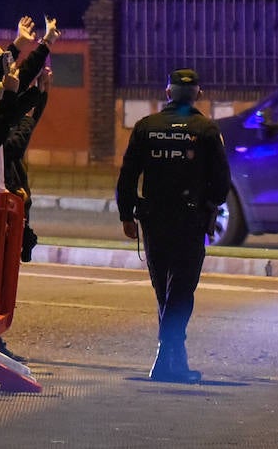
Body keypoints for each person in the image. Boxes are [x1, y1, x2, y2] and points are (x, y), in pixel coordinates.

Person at [116, 67, 231, 384]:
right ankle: (166, 360)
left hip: (153, 220)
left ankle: (171, 360)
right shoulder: (206, 130)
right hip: (189, 220)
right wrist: (209, 206)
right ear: (198, 94)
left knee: (165, 292)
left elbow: (127, 176)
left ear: (167, 93)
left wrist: (127, 214)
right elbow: (222, 183)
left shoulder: (146, 127)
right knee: (180, 292)